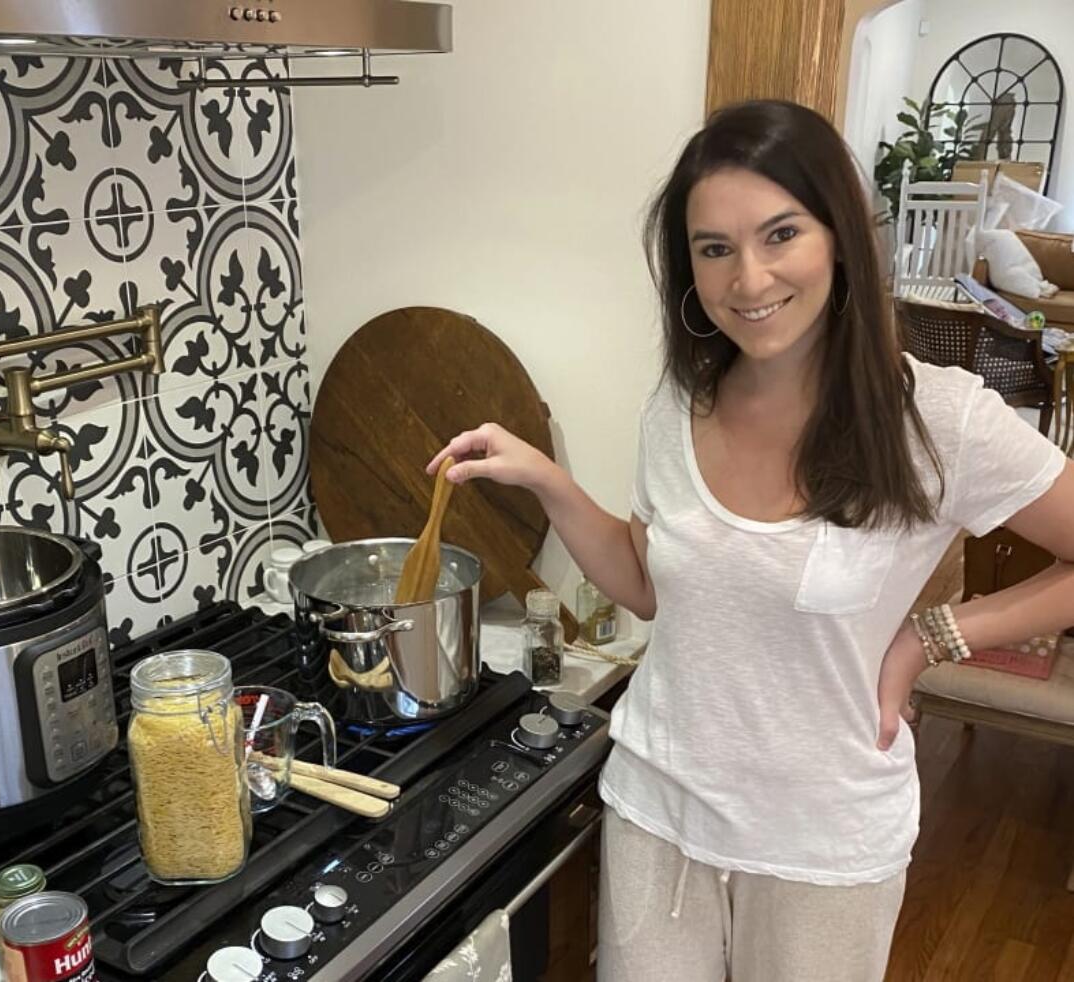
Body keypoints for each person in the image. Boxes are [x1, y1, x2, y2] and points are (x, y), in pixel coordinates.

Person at [426, 100, 1074, 981]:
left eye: (781, 234)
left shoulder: (939, 421)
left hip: (825, 843)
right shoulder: (677, 406)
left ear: (839, 235)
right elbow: (650, 588)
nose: (749, 278)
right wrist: (547, 478)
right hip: (658, 811)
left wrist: (931, 640)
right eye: (715, 249)